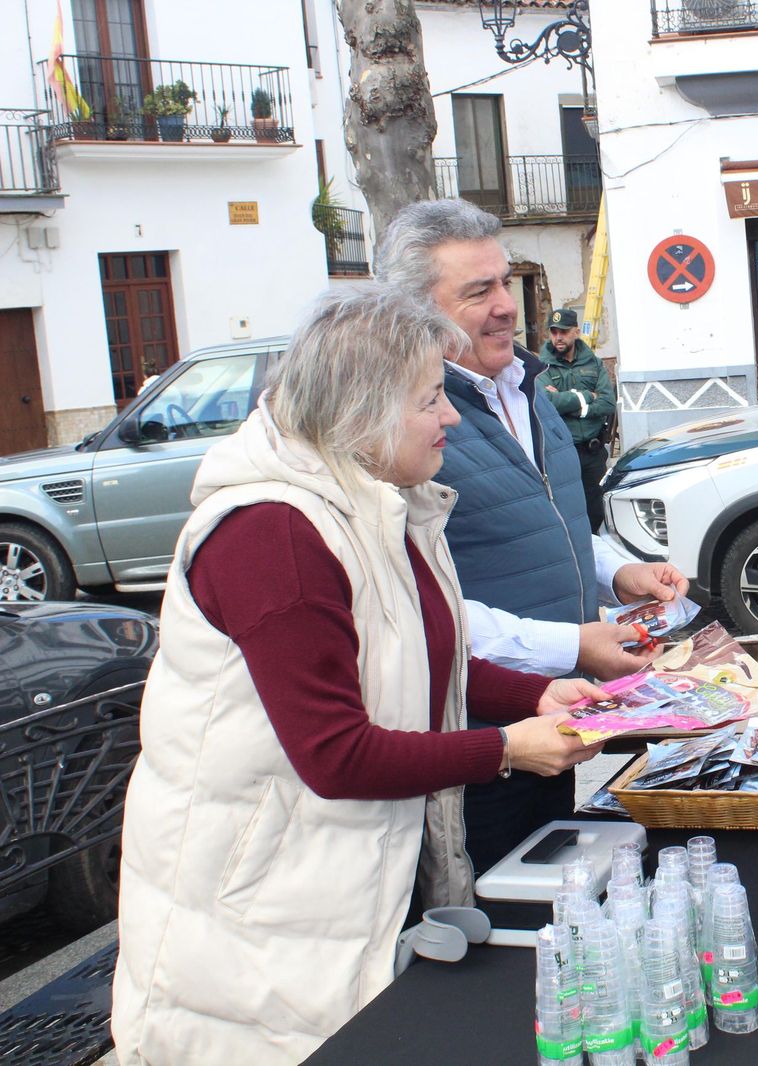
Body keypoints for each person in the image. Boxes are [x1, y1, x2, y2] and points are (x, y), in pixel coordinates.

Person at [111, 288, 607, 1064]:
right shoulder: (275, 532)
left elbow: (418, 651)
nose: (451, 417)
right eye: (431, 398)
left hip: (339, 891)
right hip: (261, 923)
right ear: (361, 411)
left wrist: (532, 694)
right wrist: (508, 748)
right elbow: (335, 753)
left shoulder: (379, 504)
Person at [377, 199, 689, 870]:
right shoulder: (408, 426)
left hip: (557, 719)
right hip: (476, 739)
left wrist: (617, 572)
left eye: (505, 283)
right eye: (477, 291)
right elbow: (416, 608)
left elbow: (553, 516)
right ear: (417, 314)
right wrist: (572, 643)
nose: (505, 306)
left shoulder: (527, 384)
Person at [537, 306, 616, 532]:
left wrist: (569, 404)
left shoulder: (594, 363)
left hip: (592, 453)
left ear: (576, 331)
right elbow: (546, 405)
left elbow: (608, 403)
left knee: (596, 512)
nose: (558, 337)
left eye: (563, 331)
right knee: (565, 512)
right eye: (554, 332)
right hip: (560, 453)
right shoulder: (541, 368)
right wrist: (586, 397)